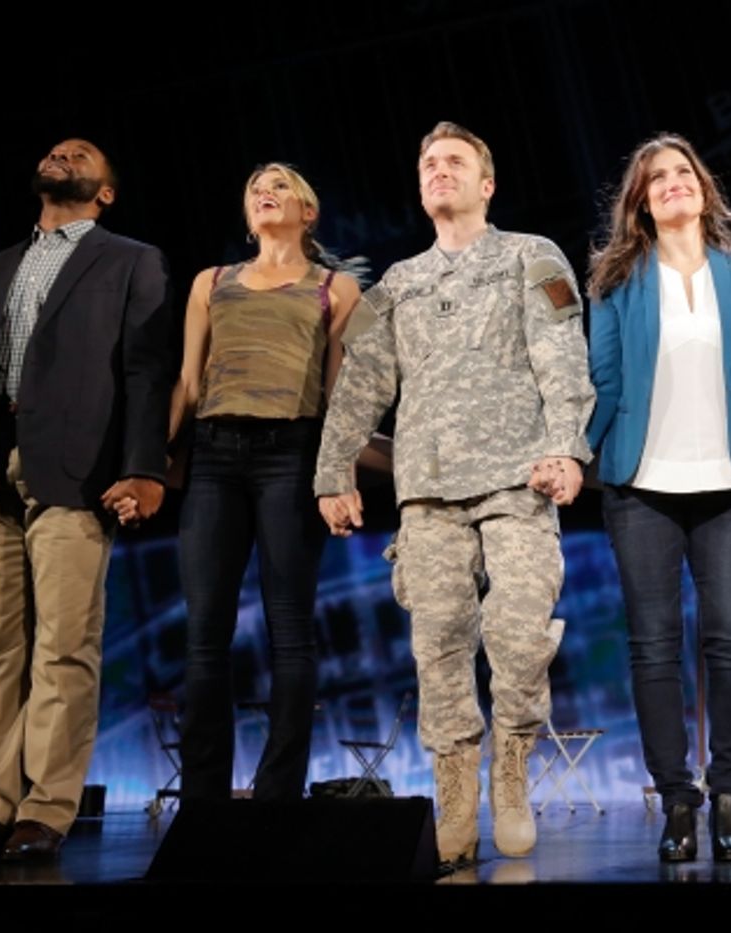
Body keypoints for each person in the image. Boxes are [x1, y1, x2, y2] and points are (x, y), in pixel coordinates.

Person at [314, 122, 593, 865]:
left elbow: (562, 352)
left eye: (455, 162)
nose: (439, 171)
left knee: (519, 632)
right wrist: (332, 471)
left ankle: (511, 762)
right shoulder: (396, 284)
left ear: (486, 183)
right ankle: (454, 794)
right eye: (428, 163)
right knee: (437, 644)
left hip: (518, 476)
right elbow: (361, 382)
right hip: (429, 490)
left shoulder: (531, 256)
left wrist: (566, 446)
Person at [585, 133, 731, 863]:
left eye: (684, 172)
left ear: (703, 188)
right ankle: (677, 798)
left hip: (728, 485)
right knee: (653, 648)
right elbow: (604, 384)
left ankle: (729, 795)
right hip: (640, 486)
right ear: (642, 201)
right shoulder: (616, 280)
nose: (673, 183)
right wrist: (570, 451)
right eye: (657, 177)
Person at [0, 138, 172, 861]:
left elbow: (148, 369)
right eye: (55, 149)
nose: (61, 153)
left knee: (64, 642)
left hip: (75, 464)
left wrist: (145, 466)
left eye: (81, 152)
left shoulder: (127, 258)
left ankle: (47, 804)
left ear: (106, 193)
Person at [169, 163, 360, 802]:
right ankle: (202, 800)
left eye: (278, 186)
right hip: (215, 456)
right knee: (205, 637)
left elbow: (340, 398)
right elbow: (190, 386)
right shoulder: (211, 283)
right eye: (254, 188)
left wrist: (339, 475)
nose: (264, 194)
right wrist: (150, 464)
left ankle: (278, 795)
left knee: (291, 633)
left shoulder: (335, 288)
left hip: (292, 454)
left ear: (308, 211)